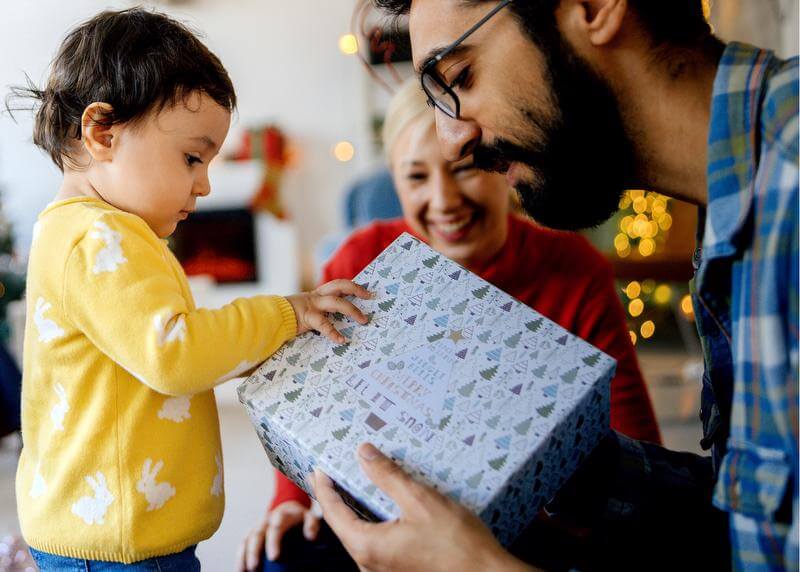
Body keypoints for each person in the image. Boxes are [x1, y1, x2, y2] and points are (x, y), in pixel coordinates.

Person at [310, 1, 799, 571]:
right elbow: (753, 527)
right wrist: (560, 462)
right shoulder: (735, 208)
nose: (451, 141)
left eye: (461, 76)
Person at [238, 78, 662, 571]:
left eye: (464, 170)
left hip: (529, 527)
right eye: (416, 177)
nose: (443, 200)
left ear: (503, 167)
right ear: (394, 181)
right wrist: (288, 503)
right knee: (278, 558)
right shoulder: (361, 258)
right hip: (381, 511)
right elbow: (311, 402)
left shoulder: (574, 269)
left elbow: (633, 448)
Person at [9, 9, 371, 571]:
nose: (203, 184)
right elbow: (175, 353)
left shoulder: (77, 228)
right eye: (191, 158)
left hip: (102, 528)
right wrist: (287, 314)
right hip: (121, 543)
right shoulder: (102, 236)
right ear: (103, 132)